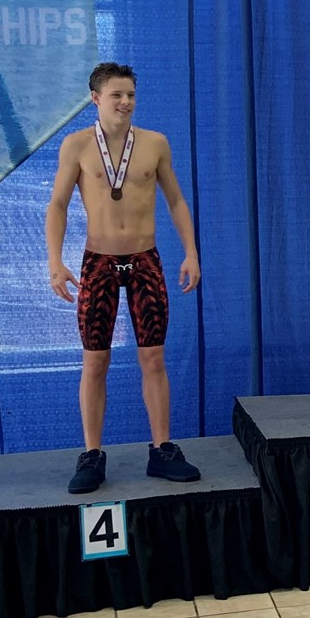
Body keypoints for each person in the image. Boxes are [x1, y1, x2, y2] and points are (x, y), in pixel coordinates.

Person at [48, 63, 204, 493]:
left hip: (145, 262)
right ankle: (92, 454)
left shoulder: (154, 144)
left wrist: (191, 252)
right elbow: (58, 204)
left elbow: (175, 199)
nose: (125, 102)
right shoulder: (77, 145)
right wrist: (54, 261)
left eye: (131, 94)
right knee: (95, 361)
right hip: (98, 262)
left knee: (153, 358)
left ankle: (163, 449)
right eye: (116, 95)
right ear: (95, 98)